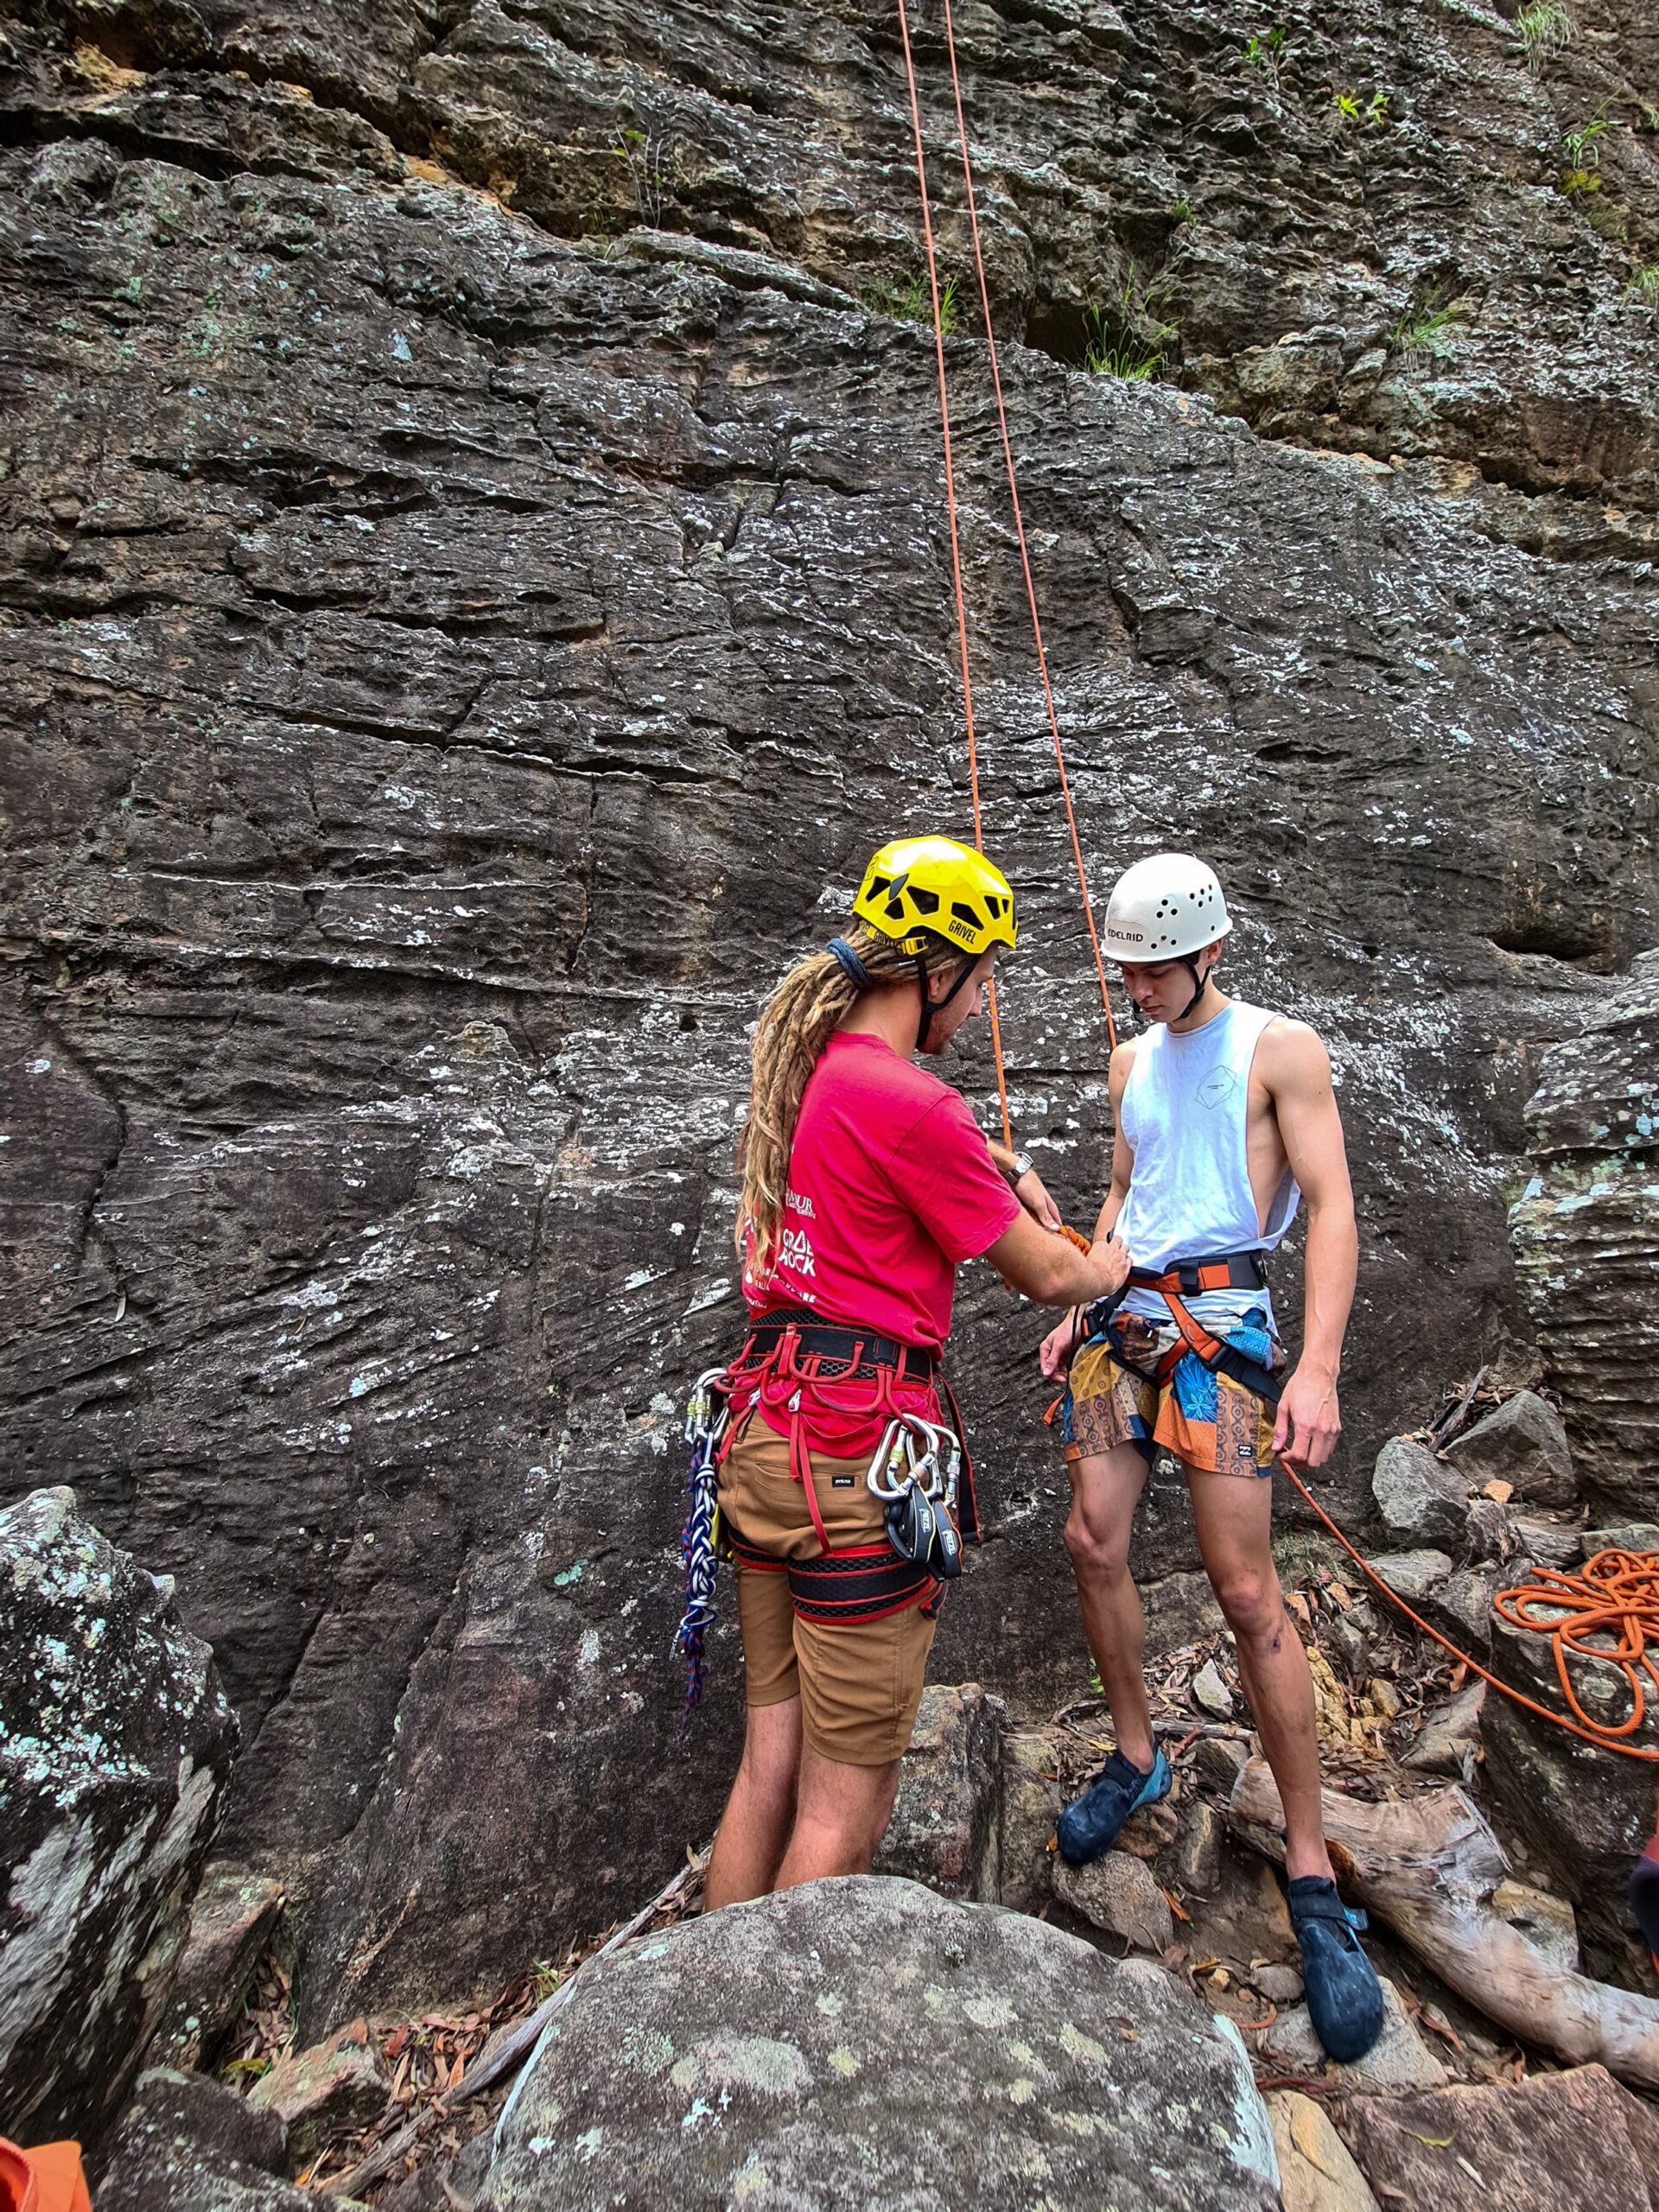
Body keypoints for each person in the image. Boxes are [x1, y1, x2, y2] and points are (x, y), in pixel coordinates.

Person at [702, 834, 1130, 1910]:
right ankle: (765, 2056)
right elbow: (1043, 1273)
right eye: (980, 982)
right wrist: (1108, 1261)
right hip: (850, 1461)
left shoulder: (809, 1075)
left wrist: (991, 1158)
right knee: (846, 1811)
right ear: (936, 969)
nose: (980, 1007)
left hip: (764, 1434)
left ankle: (702, 2025)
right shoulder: (914, 1106)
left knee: (767, 1770)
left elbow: (887, 1164)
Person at [1038, 851, 1385, 2063]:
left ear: (1207, 953)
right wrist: (1078, 1296)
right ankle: (1137, 1756)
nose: (1134, 988)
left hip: (1223, 1334)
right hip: (1124, 1331)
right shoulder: (1130, 1060)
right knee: (1092, 1541)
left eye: (1152, 968)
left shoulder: (1281, 1050)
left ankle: (1309, 1870)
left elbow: (1331, 1204)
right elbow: (1125, 1197)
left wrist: (1321, 1368)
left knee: (1246, 1593)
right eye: (1124, 970)